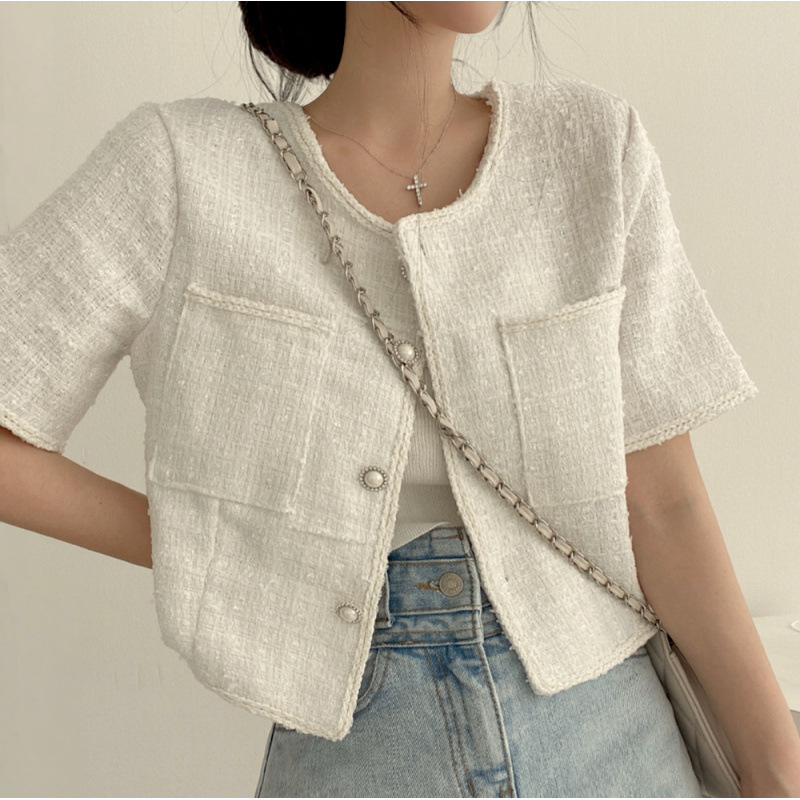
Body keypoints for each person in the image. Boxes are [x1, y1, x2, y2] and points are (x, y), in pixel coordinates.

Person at [1, 2, 799, 797]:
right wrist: (212, 540)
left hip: (611, 737)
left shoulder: (589, 148)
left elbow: (664, 503)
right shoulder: (185, 168)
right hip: (361, 753)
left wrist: (777, 767)